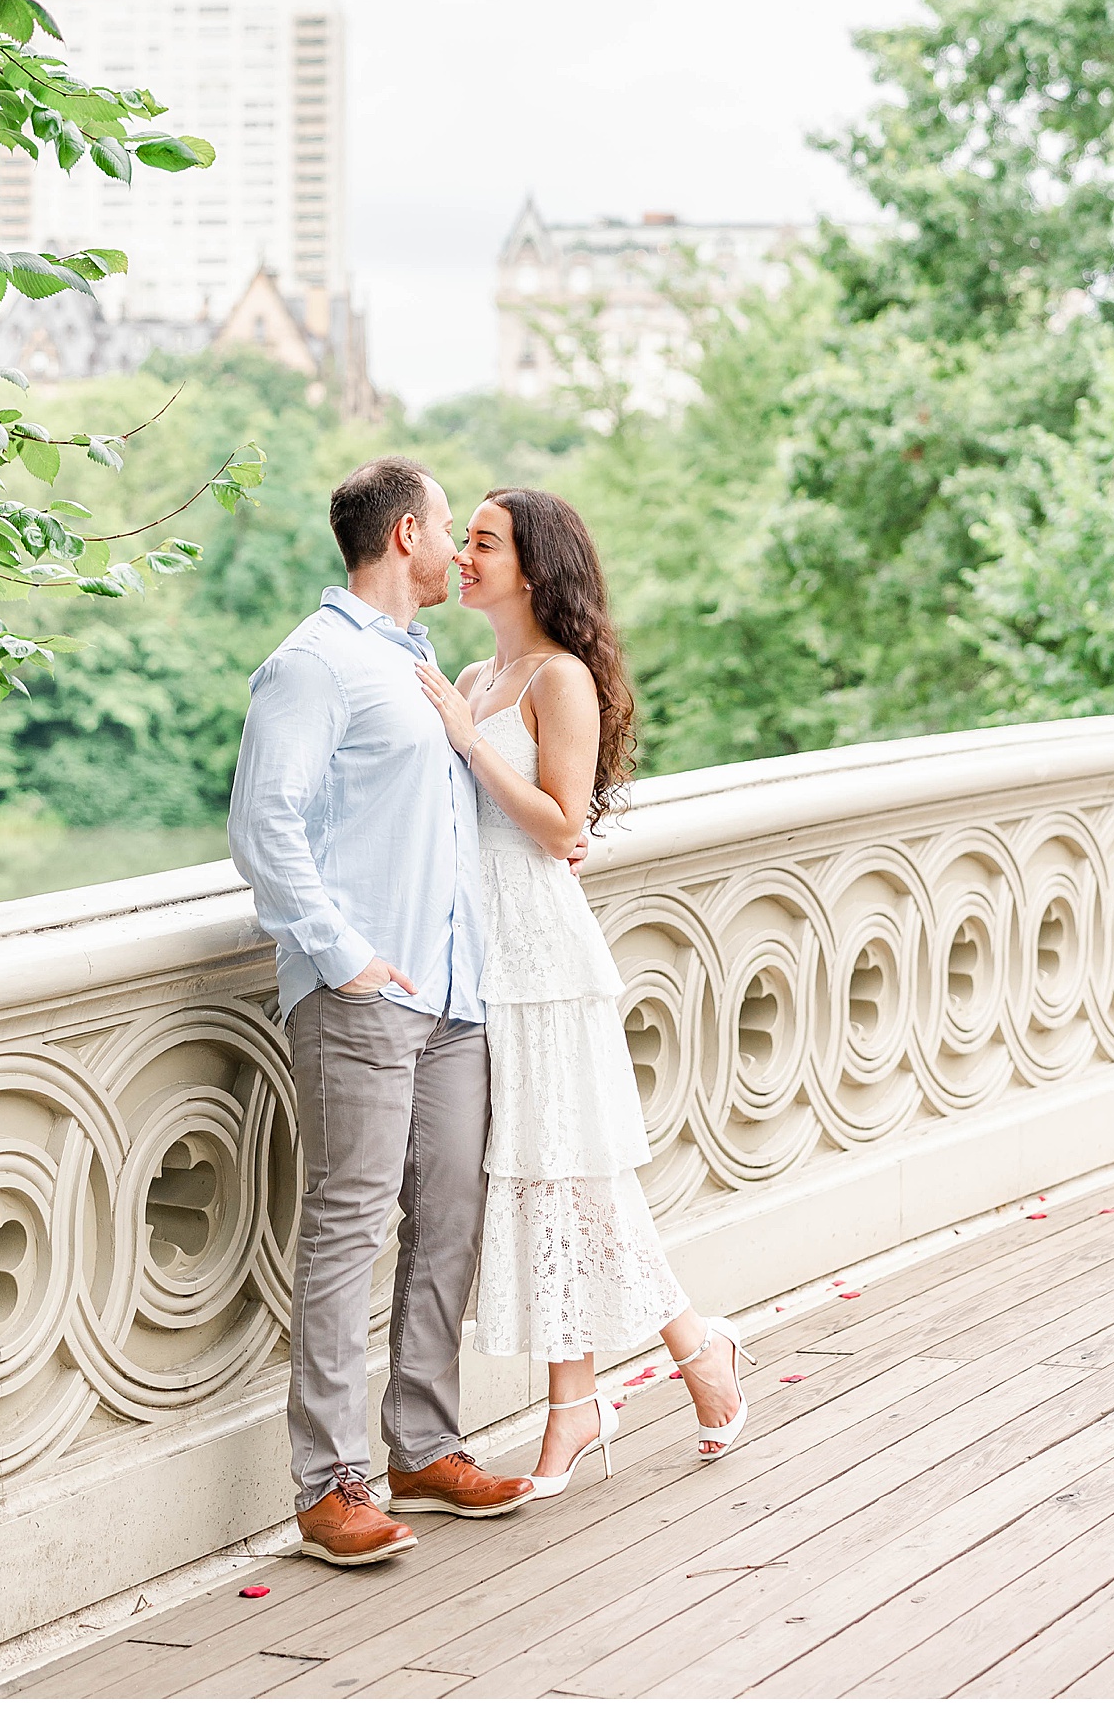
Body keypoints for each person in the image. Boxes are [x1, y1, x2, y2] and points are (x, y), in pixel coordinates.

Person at [228, 457, 535, 1568]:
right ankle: (328, 1482)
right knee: (347, 1227)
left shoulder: (421, 666)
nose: (460, 551)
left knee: (447, 1220)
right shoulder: (312, 664)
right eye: (450, 530)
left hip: (456, 1000)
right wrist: (347, 956)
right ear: (405, 535)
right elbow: (266, 827)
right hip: (362, 998)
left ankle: (422, 1445)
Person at [415, 487, 754, 1492]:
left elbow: (564, 827)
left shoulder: (556, 679)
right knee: (541, 1184)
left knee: (575, 1179)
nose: (464, 557)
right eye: (463, 539)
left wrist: (466, 738)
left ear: (533, 565)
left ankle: (680, 1360)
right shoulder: (475, 671)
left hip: (545, 965)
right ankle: (606, 1389)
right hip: (482, 961)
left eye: (483, 542)